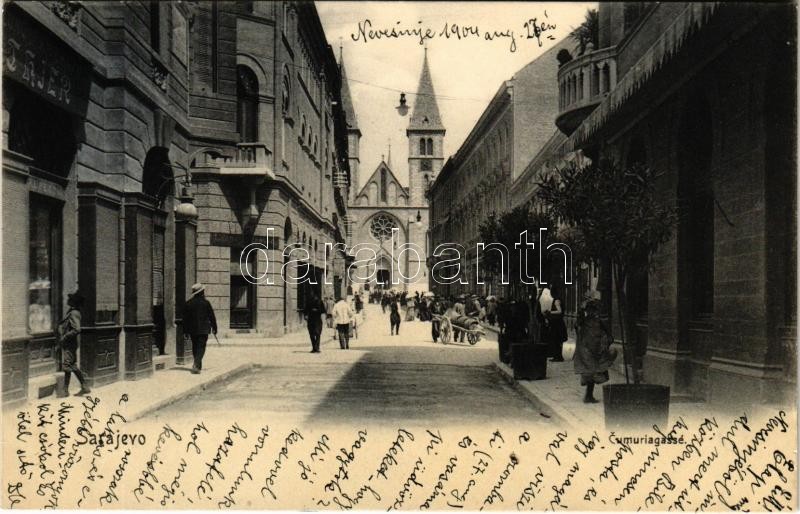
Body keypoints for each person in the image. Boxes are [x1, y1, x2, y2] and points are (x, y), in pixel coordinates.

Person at [574, 291, 617, 403]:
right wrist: (582, 310)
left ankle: (589, 396)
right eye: (592, 309)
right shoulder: (583, 320)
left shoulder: (598, 320)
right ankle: (588, 396)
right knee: (590, 371)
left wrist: (607, 339)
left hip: (596, 347)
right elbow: (577, 324)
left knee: (595, 371)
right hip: (587, 348)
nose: (594, 311)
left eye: (595, 309)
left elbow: (606, 332)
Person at [57, 291, 91, 396]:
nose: (67, 300)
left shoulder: (74, 313)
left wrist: (64, 337)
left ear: (73, 302)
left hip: (70, 343)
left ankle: (67, 390)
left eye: (70, 299)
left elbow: (77, 329)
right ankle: (82, 387)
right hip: (70, 343)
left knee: (68, 365)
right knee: (70, 365)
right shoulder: (72, 311)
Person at [183, 283, 218, 373]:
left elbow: (185, 319)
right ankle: (196, 364)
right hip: (203, 329)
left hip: (192, 330)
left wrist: (185, 331)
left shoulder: (188, 303)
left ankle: (198, 367)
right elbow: (212, 316)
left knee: (195, 347)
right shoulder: (206, 303)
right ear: (202, 292)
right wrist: (215, 328)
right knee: (201, 347)